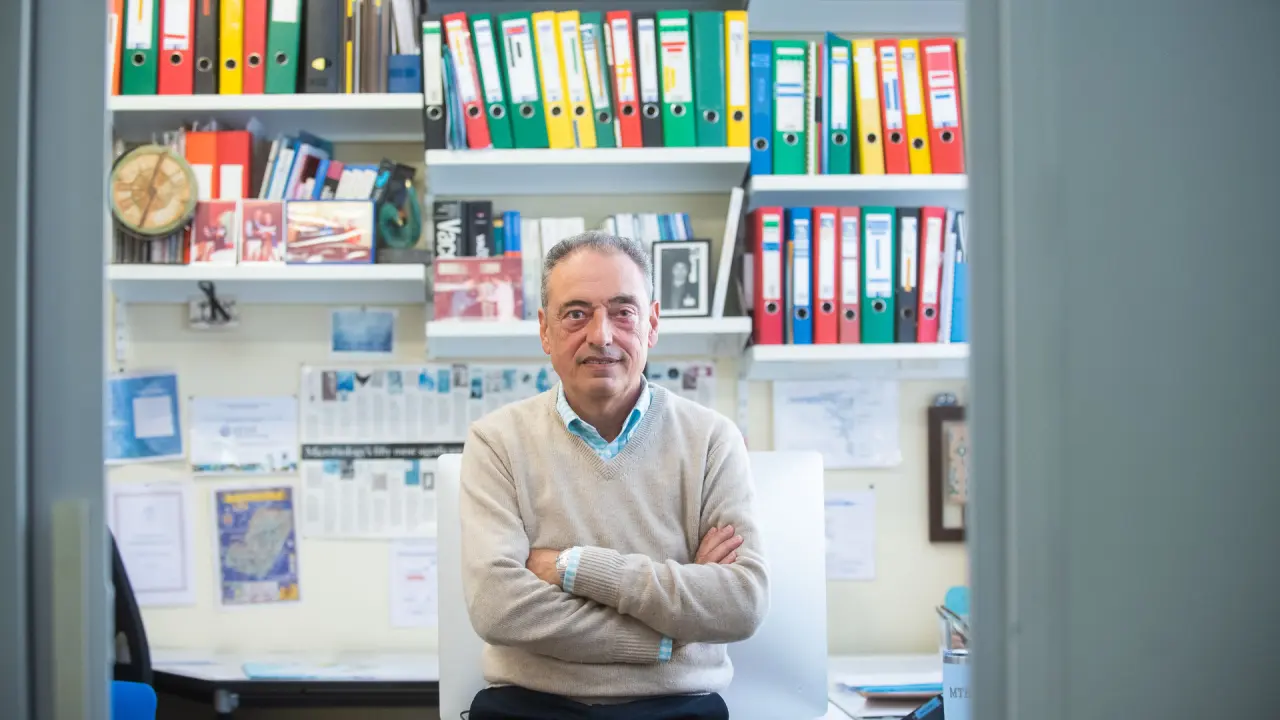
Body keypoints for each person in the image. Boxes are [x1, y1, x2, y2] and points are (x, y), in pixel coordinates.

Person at [460, 231, 769, 720]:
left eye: (623, 312)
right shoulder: (496, 441)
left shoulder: (712, 440)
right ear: (545, 330)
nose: (601, 335)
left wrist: (576, 567)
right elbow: (499, 607)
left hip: (677, 710)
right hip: (530, 709)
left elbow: (740, 603)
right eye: (576, 313)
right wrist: (666, 636)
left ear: (652, 324)